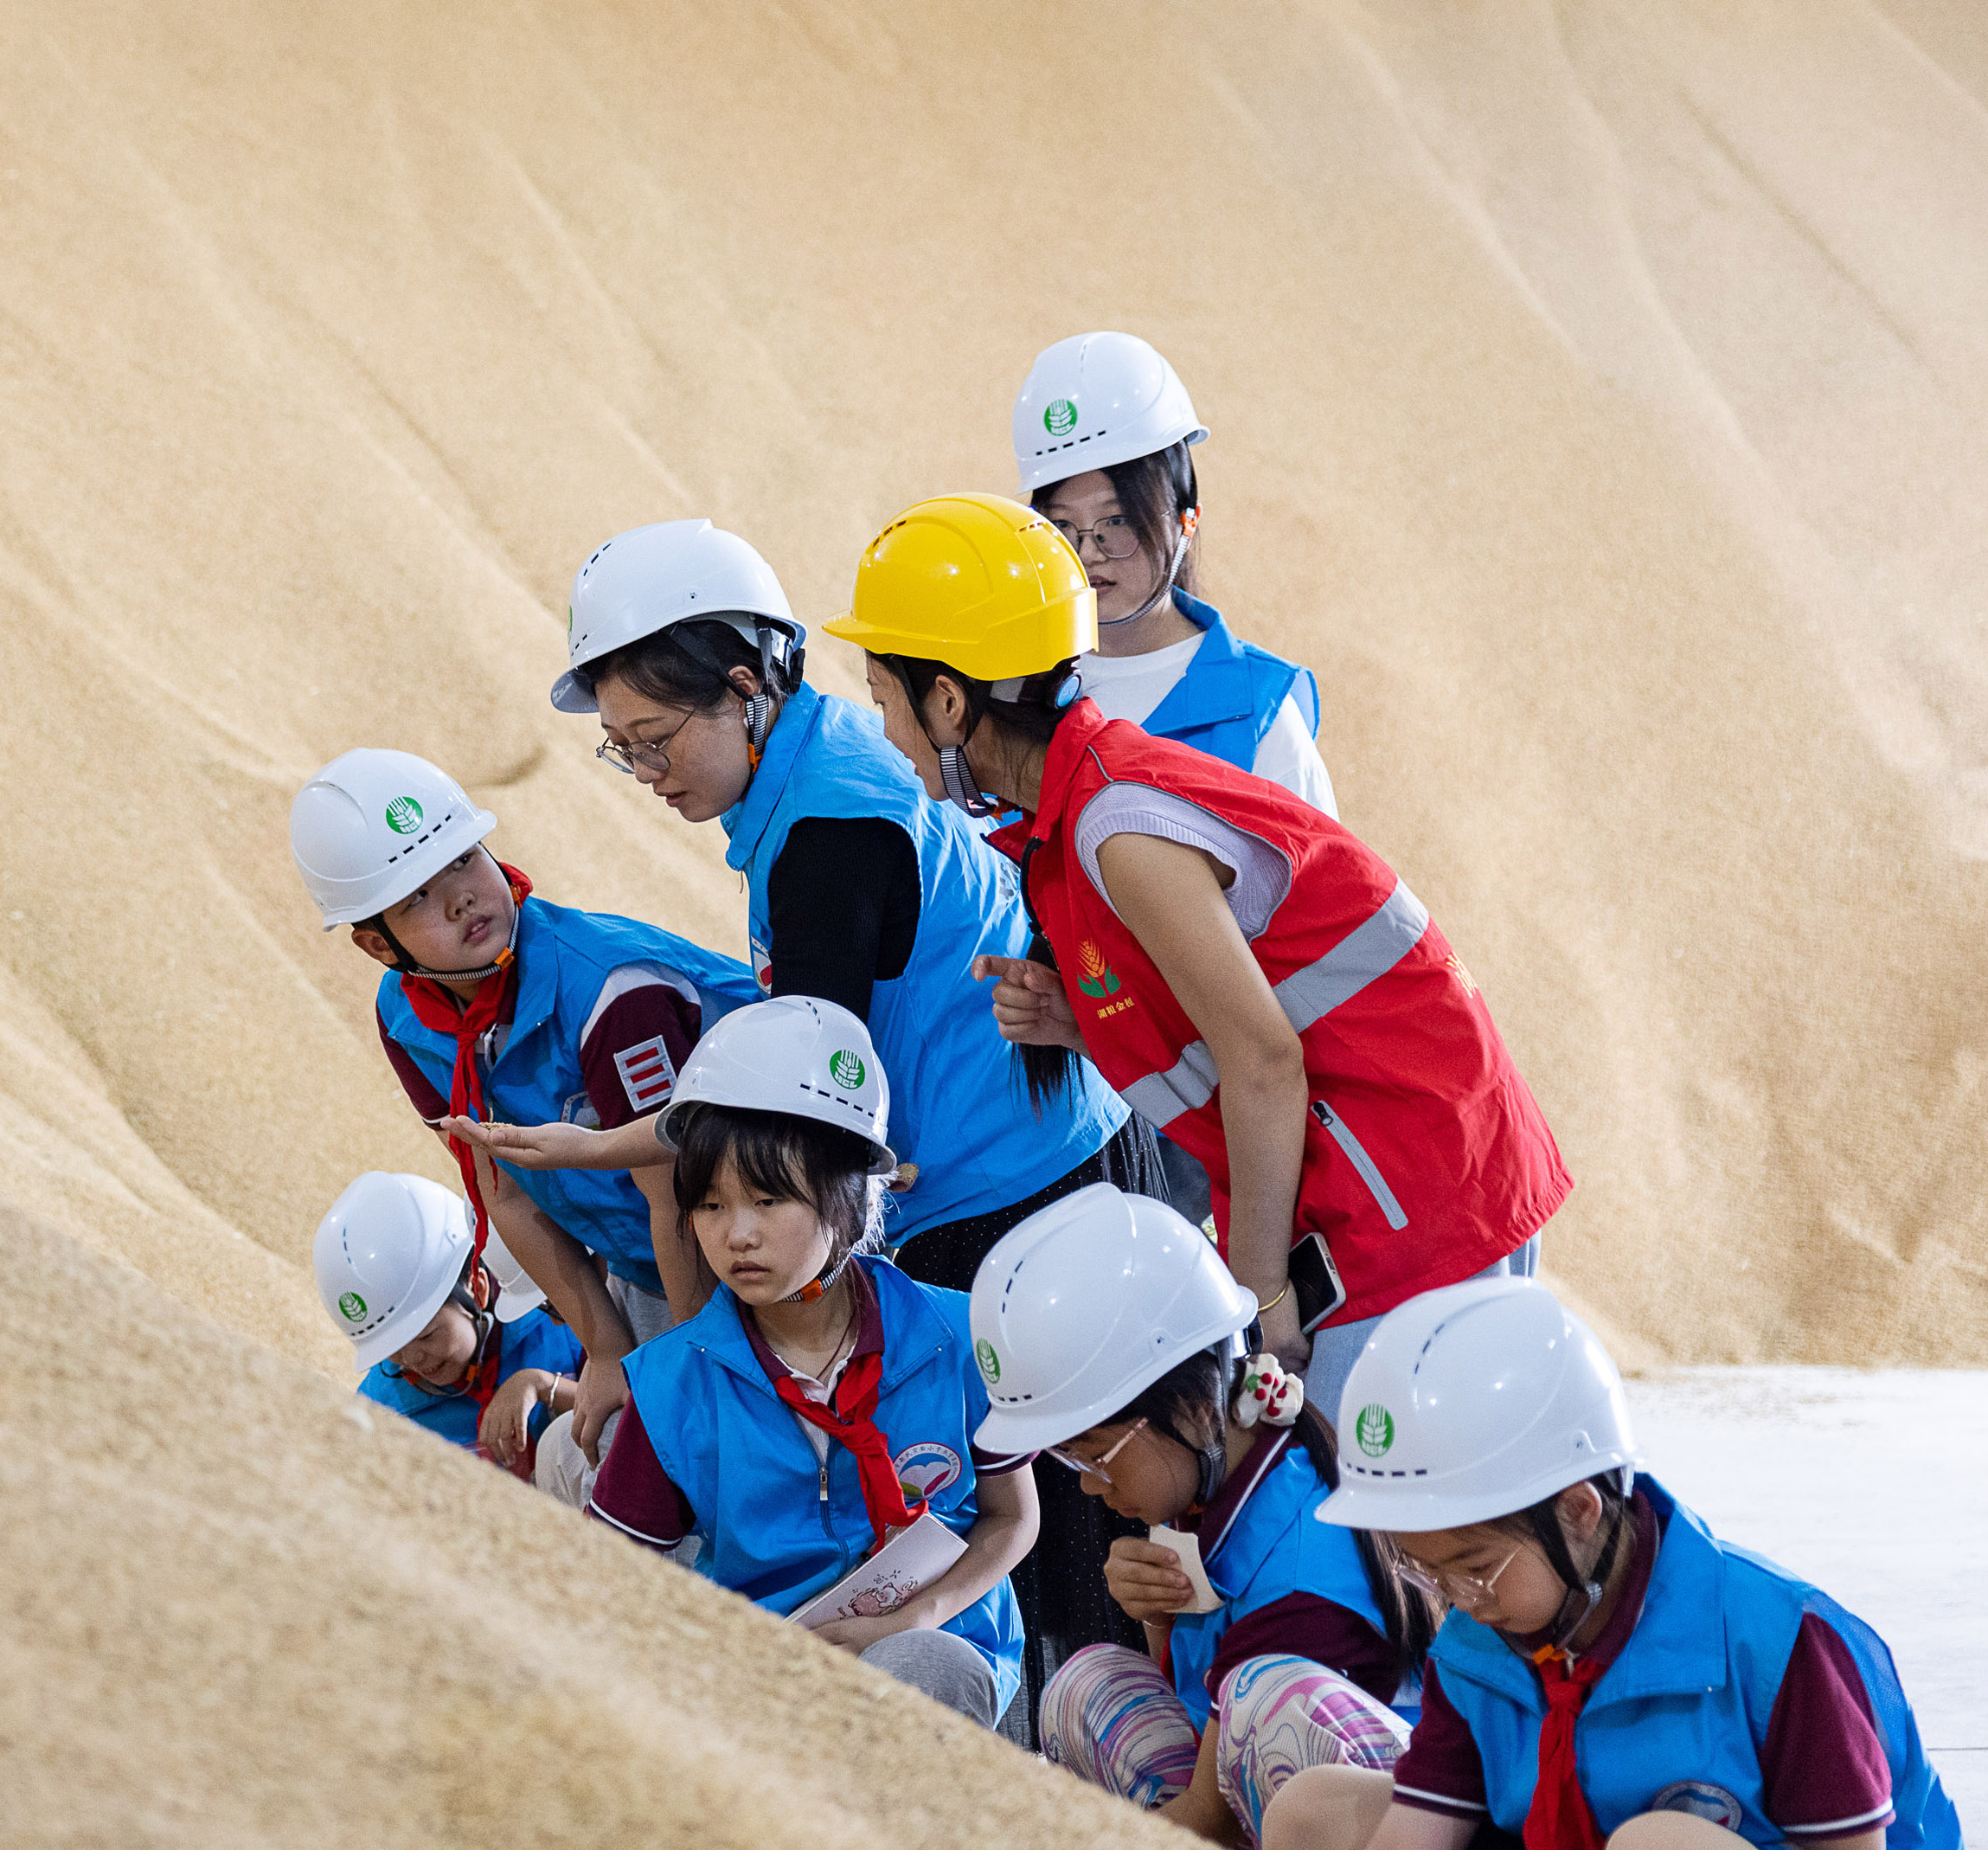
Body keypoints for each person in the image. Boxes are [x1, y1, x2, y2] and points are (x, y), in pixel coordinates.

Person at [826, 493, 1570, 1424]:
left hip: (1415, 1195)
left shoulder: (1118, 824)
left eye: (883, 701)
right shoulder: (1080, 813)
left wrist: (1258, 1298)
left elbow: (1264, 1060)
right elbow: (1229, 1021)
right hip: (1403, 1178)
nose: (887, 738)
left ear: (946, 700)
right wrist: (1080, 1024)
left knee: (1389, 1497)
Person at [1263, 1279, 1966, 1850]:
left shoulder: (1773, 1632)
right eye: (1427, 1571)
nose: (1458, 1599)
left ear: (1579, 1510)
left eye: (1476, 1564)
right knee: (1316, 1816)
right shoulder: (1477, 1648)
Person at [548, 517, 1158, 1288]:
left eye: (655, 737)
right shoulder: (829, 751)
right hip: (1056, 1149)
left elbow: (799, 1091)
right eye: (621, 746)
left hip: (1012, 1200)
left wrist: (596, 1148)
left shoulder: (828, 837)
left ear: (745, 689)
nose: (643, 770)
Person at [580, 997, 1034, 1727]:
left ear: (849, 1196)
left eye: (768, 1199)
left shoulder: (958, 1334)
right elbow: (603, 1580)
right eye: (710, 1205)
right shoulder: (672, 1387)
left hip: (943, 1655)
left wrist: (914, 1620)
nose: (737, 1235)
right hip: (765, 1691)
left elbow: (1013, 1519)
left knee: (921, 1666)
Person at [292, 749, 760, 1447]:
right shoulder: (404, 1017)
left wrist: (696, 1362)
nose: (460, 897)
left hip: (767, 1239)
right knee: (629, 1454)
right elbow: (504, 1192)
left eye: (462, 859)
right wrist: (606, 1350)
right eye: (415, 897)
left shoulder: (608, 990)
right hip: (650, 1265)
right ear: (377, 946)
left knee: (722, 1441)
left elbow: (678, 1194)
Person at [966, 1184, 1427, 1850]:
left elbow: (1207, 1823)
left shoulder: (1302, 1585)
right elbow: (1190, 1704)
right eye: (1069, 1462)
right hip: (1241, 1792)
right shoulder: (1228, 1472)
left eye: (1094, 1456)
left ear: (1192, 1407)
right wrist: (1160, 1613)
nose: (1090, 1486)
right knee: (1084, 1688)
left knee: (1266, 1706)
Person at [1013, 331, 1337, 816]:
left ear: (1187, 520)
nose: (1087, 554)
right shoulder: (1009, 681)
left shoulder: (1256, 718)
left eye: (1117, 521)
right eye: (1061, 526)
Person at [314, 1171, 587, 1474]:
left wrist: (544, 1386)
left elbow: (626, 1413)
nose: (414, 1360)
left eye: (426, 1336)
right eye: (392, 1350)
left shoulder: (553, 1317)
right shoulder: (382, 1411)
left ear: (477, 1288)